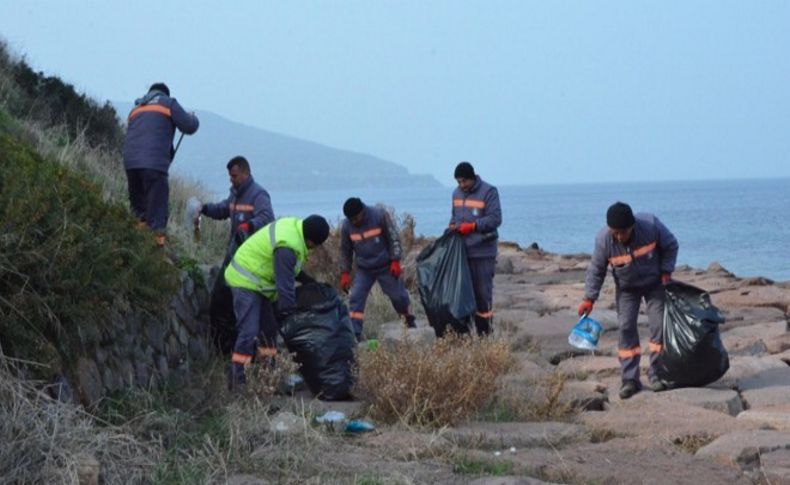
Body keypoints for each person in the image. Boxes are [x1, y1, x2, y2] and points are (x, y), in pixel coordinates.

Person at [578, 202, 679, 400]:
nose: (618, 236)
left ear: (632, 226)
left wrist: (667, 270)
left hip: (655, 283)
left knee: (659, 326)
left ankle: (658, 373)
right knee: (625, 327)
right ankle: (630, 379)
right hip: (626, 288)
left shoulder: (650, 226)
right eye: (614, 232)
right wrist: (589, 298)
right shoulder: (603, 240)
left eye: (622, 232)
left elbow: (671, 245)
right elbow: (596, 270)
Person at [223, 215, 330, 389]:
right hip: (245, 279)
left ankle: (269, 377)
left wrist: (309, 281)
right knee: (249, 332)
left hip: (260, 284)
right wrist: (289, 313)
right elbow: (284, 285)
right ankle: (238, 382)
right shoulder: (287, 246)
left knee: (269, 330)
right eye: (315, 246)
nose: (313, 249)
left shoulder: (295, 229)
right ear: (311, 241)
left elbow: (290, 270)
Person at [198, 156, 275, 354]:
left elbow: (267, 218)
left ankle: (248, 352)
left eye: (234, 176)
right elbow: (223, 209)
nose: (231, 180)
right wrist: (204, 208)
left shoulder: (259, 195)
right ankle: (226, 348)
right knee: (222, 301)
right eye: (230, 176)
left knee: (245, 307)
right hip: (234, 257)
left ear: (245, 173)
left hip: (251, 262)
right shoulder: (235, 195)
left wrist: (249, 226)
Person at [122, 82, 199, 247]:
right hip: (154, 164)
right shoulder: (169, 103)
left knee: (139, 211)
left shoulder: (136, 109)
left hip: (131, 164)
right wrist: (193, 118)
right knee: (157, 211)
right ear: (165, 94)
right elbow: (189, 126)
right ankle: (156, 253)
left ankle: (136, 247)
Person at [339, 198, 417, 341]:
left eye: (356, 218)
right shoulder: (347, 226)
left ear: (362, 211)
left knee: (398, 296)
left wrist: (395, 260)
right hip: (364, 269)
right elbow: (345, 251)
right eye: (351, 219)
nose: (354, 222)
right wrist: (345, 272)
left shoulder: (379, 215)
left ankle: (409, 321)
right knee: (356, 297)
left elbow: (394, 239)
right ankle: (355, 334)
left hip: (385, 265)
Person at [449, 162, 502, 335]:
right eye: (459, 182)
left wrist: (472, 226)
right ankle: (465, 333)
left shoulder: (489, 192)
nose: (461, 185)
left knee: (482, 296)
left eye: (464, 181)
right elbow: (454, 216)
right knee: (463, 294)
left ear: (473, 177)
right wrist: (452, 226)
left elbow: (495, 219)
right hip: (462, 253)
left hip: (483, 253)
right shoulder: (456, 194)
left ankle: (485, 335)